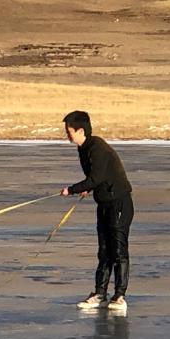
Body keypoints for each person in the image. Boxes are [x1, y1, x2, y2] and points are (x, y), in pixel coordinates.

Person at [60, 111, 133, 310]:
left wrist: (73, 189)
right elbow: (95, 178)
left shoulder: (97, 147)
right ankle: (100, 293)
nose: (67, 135)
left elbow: (96, 177)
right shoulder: (83, 148)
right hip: (104, 203)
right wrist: (88, 188)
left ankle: (119, 296)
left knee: (118, 251)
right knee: (104, 251)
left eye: (69, 131)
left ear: (80, 131)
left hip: (119, 203)